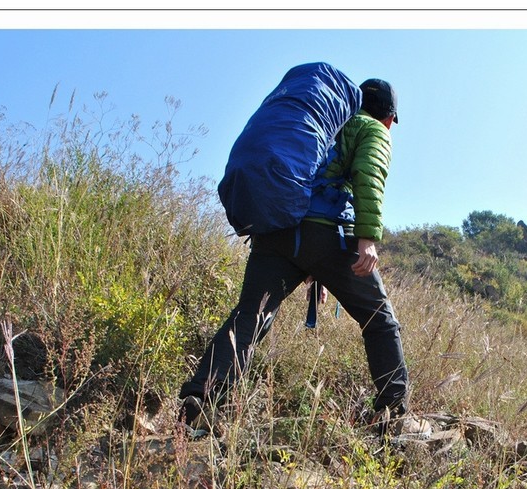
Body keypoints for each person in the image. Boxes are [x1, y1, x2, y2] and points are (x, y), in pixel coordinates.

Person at [178, 78, 430, 440]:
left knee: (250, 317)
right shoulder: (373, 129)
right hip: (324, 234)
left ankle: (198, 401)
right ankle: (393, 414)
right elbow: (369, 179)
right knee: (380, 320)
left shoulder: (329, 122)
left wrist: (316, 271)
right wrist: (366, 240)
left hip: (278, 230)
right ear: (390, 117)